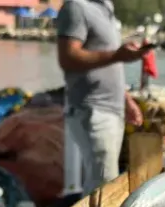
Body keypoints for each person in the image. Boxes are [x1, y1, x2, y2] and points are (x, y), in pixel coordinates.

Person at [56, 0, 148, 196]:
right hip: (92, 109)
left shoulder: (106, 9)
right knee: (104, 185)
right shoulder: (77, 7)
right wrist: (117, 55)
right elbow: (67, 58)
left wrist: (127, 100)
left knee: (105, 182)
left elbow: (111, 65)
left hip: (112, 110)